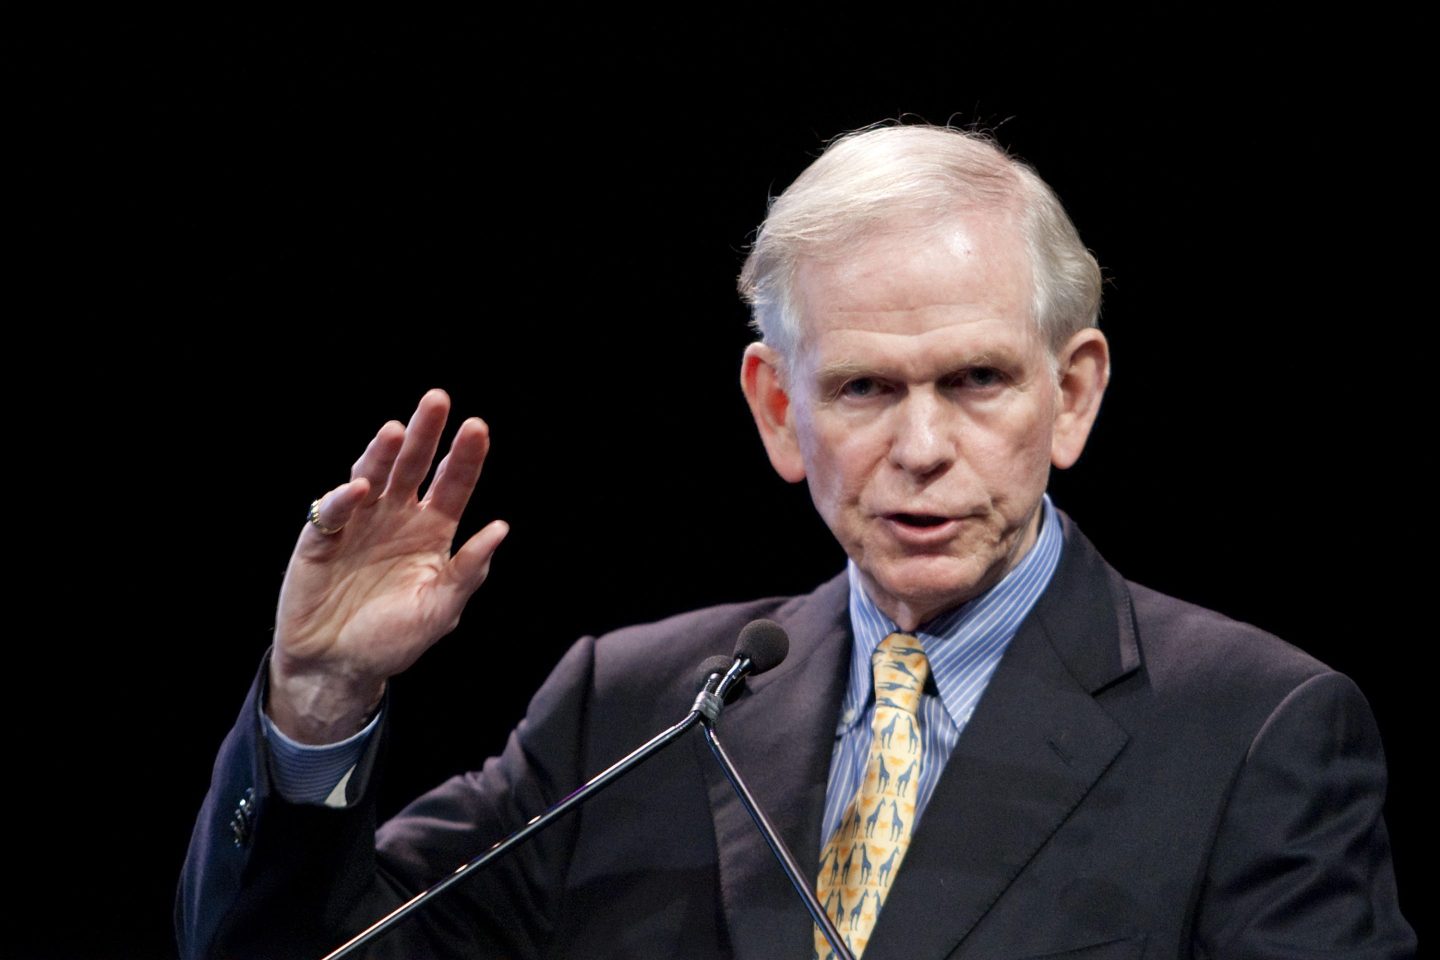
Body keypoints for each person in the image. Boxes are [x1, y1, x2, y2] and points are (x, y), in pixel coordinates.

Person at [177, 125, 1414, 959]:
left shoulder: (1258, 731)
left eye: (978, 379)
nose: (922, 447)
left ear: (1073, 393)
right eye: (865, 389)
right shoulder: (632, 704)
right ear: (779, 408)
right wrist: (323, 695)